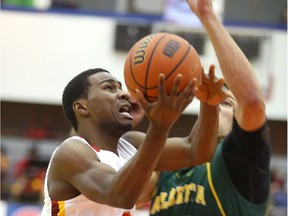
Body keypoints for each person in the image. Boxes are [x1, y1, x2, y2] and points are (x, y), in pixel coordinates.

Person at [137, 0, 271, 215]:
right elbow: (126, 190)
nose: (216, 105)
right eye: (212, 102)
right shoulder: (167, 171)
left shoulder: (243, 160)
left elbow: (252, 102)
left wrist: (207, 15)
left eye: (226, 102)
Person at [41, 65, 226, 215]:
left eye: (120, 87)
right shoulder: (72, 152)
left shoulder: (130, 144)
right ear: (82, 107)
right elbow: (119, 195)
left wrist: (209, 104)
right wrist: (159, 127)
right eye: (109, 88)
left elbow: (197, 151)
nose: (123, 94)